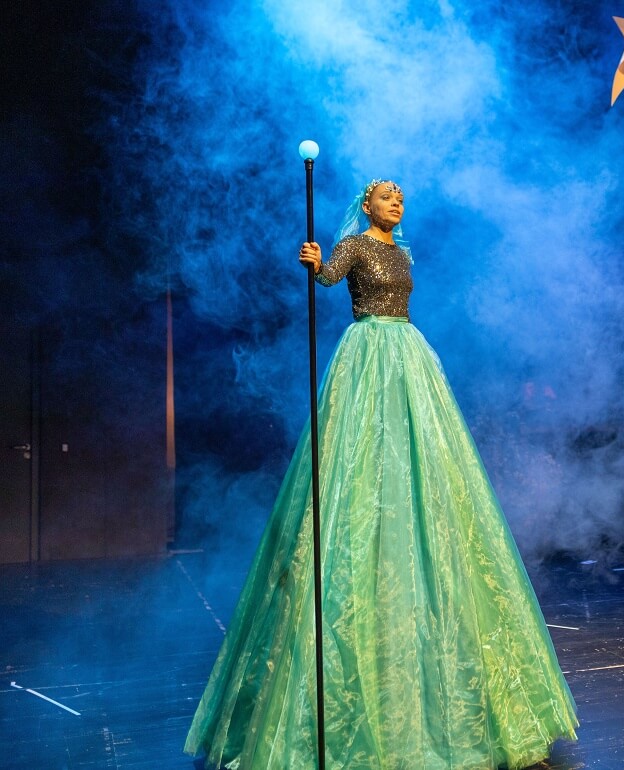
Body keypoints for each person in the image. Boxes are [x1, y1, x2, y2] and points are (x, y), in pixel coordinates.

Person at [184, 179, 578, 769]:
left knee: (429, 469)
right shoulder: (356, 245)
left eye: (400, 198)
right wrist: (316, 260)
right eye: (386, 197)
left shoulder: (402, 251)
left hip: (409, 354)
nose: (397, 204)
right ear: (367, 206)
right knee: (358, 464)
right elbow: (325, 279)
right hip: (366, 354)